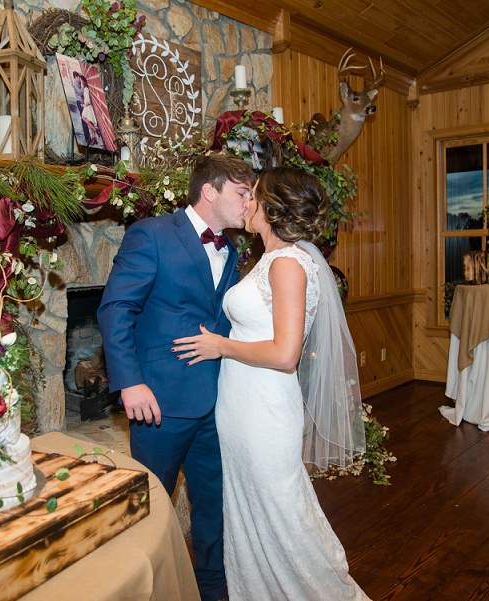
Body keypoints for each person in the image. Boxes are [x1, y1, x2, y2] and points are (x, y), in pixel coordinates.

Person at [173, 167, 371, 600]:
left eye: (253, 196)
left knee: (282, 514)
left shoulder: (286, 265)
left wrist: (221, 347)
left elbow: (285, 354)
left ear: (272, 207)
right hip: (241, 408)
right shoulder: (269, 258)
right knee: (251, 513)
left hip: (265, 411)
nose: (245, 203)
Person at [97, 154, 255, 601]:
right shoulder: (152, 234)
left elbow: (218, 318)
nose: (249, 203)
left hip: (217, 399)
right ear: (211, 191)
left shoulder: (233, 249)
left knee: (214, 506)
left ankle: (213, 590)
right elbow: (115, 309)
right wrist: (130, 382)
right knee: (150, 509)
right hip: (159, 403)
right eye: (242, 193)